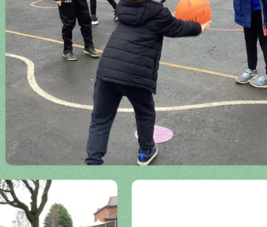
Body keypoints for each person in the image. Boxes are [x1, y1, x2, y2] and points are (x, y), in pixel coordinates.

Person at [84, 0, 209, 166]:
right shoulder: (158, 13)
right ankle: (146, 151)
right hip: (135, 74)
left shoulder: (123, 7)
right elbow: (178, 28)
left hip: (107, 70)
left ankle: (93, 162)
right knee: (144, 113)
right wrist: (199, 27)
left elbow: (156, 19)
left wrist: (170, 17)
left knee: (100, 119)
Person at [234, 0, 267, 88]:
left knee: (265, 41)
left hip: (262, 8)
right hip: (246, 8)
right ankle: (252, 69)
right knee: (249, 40)